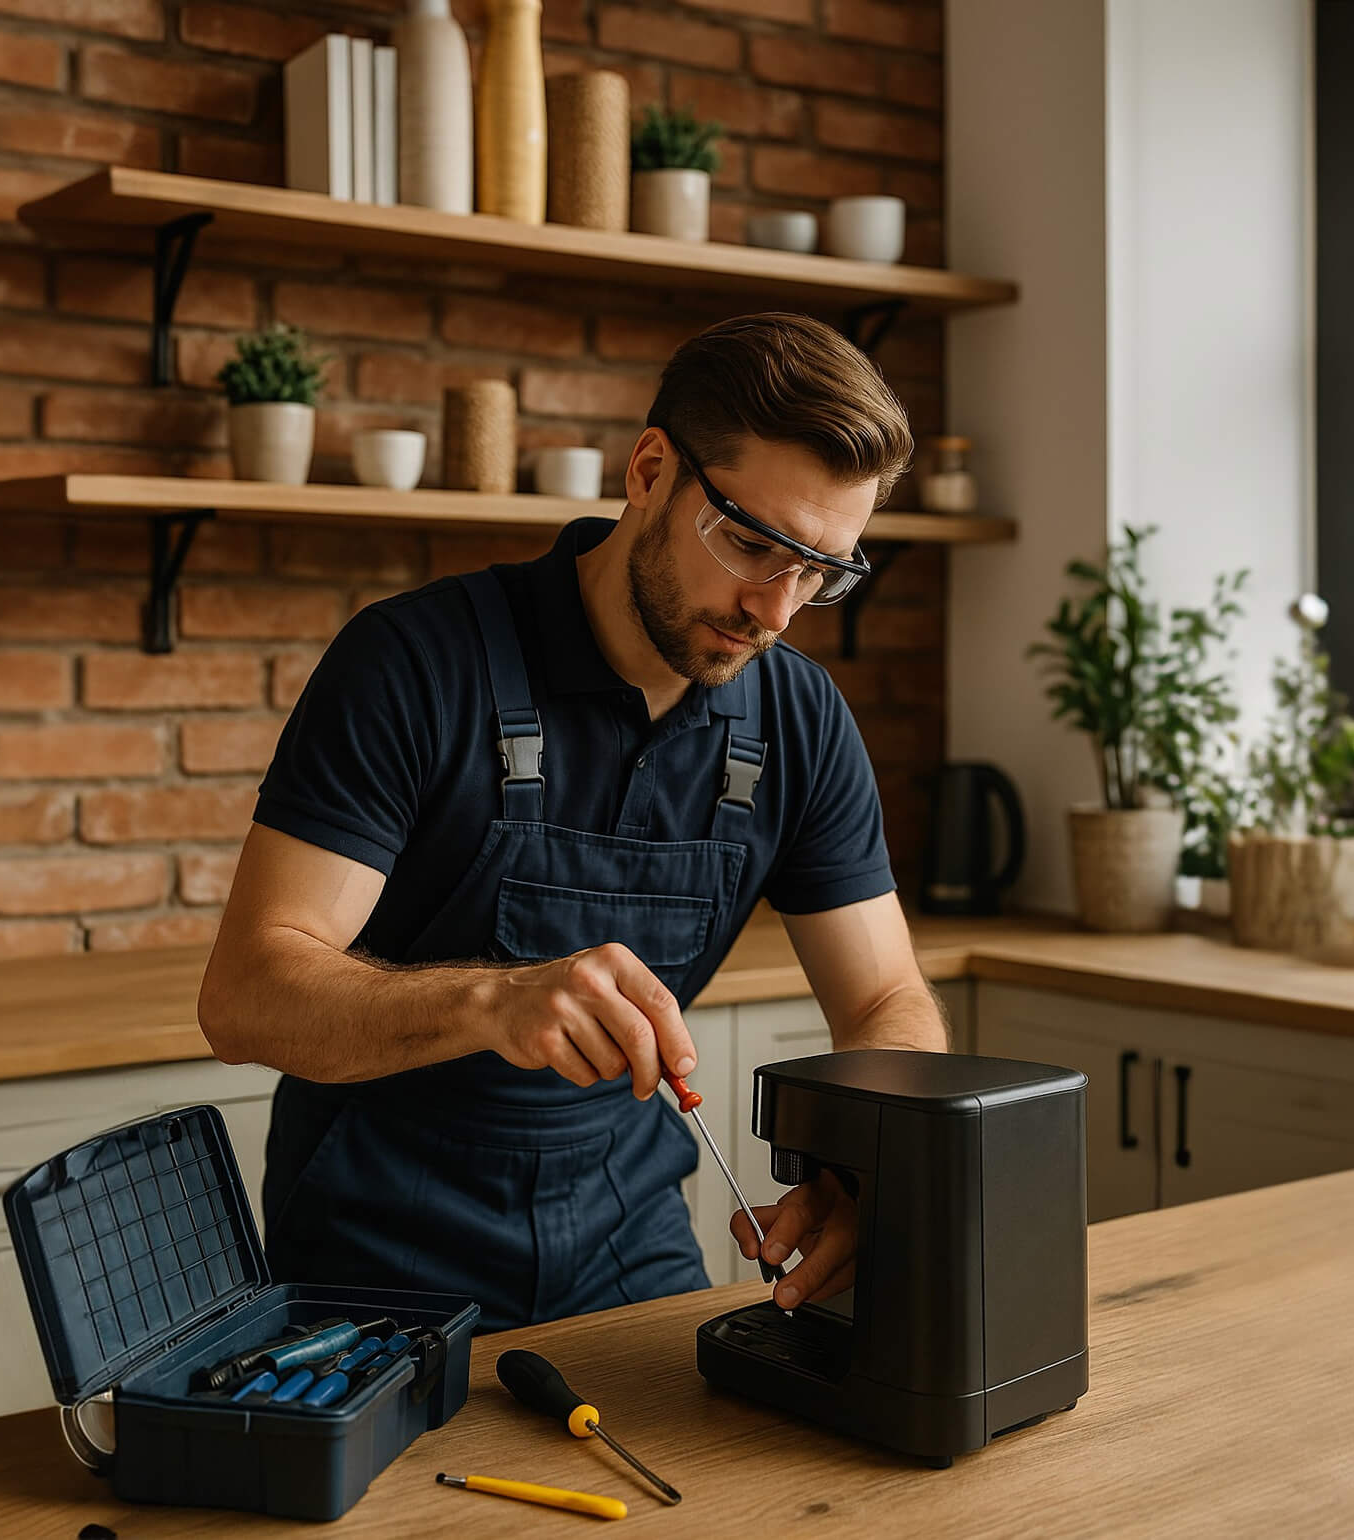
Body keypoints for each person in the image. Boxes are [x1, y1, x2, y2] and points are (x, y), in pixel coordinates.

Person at [199, 312, 948, 1333]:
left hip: (628, 1241)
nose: (775, 611)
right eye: (749, 544)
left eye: (820, 570)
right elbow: (245, 996)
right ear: (649, 472)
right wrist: (491, 1000)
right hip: (375, 1254)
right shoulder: (415, 663)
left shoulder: (798, 720)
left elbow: (886, 997)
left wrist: (869, 1164)